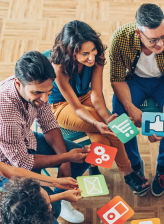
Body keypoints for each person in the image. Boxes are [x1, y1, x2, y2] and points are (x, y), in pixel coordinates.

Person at [0, 50, 90, 224]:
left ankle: (61, 196)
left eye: (48, 92)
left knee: (80, 158)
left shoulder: (36, 91)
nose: (44, 99)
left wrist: (65, 162)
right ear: (18, 83)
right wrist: (65, 157)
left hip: (24, 138)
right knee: (43, 207)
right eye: (37, 93)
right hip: (2, 162)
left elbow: (49, 124)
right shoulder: (5, 120)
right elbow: (22, 163)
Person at [49, 20, 149, 196]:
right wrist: (97, 123)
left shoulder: (98, 56)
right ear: (70, 52)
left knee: (105, 138)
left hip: (86, 96)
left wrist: (107, 118)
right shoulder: (59, 68)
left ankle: (93, 165)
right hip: (62, 106)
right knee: (110, 133)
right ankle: (129, 173)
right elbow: (77, 108)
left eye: (93, 50)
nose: (91, 57)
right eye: (85, 54)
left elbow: (96, 94)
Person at [110, 3, 164, 197]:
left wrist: (162, 124)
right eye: (153, 40)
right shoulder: (120, 38)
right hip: (134, 81)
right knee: (119, 115)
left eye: (163, 36)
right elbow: (117, 79)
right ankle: (134, 164)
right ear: (138, 33)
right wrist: (130, 107)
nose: (160, 44)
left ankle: (162, 168)